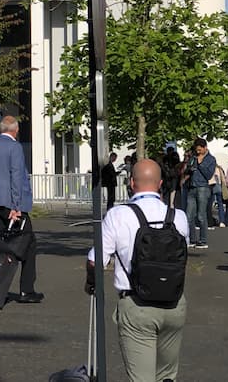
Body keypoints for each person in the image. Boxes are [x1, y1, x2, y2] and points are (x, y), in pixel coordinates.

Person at [87, 159, 189, 382]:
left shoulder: (118, 215)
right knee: (167, 376)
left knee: (142, 378)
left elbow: (96, 260)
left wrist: (90, 282)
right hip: (174, 304)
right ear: (161, 183)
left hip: (137, 305)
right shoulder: (178, 217)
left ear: (131, 182)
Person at [0, 115, 43, 303]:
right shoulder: (15, 147)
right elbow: (16, 176)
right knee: (28, 244)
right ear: (15, 131)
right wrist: (16, 206)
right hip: (11, 203)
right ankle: (26, 290)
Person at [183, 138, 216, 250]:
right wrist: (189, 169)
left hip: (203, 188)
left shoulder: (211, 159)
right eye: (196, 150)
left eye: (200, 150)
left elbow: (208, 175)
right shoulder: (193, 157)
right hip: (192, 187)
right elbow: (187, 169)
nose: (198, 152)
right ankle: (192, 239)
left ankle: (203, 240)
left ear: (205, 148)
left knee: (201, 215)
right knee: (188, 216)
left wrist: (201, 164)